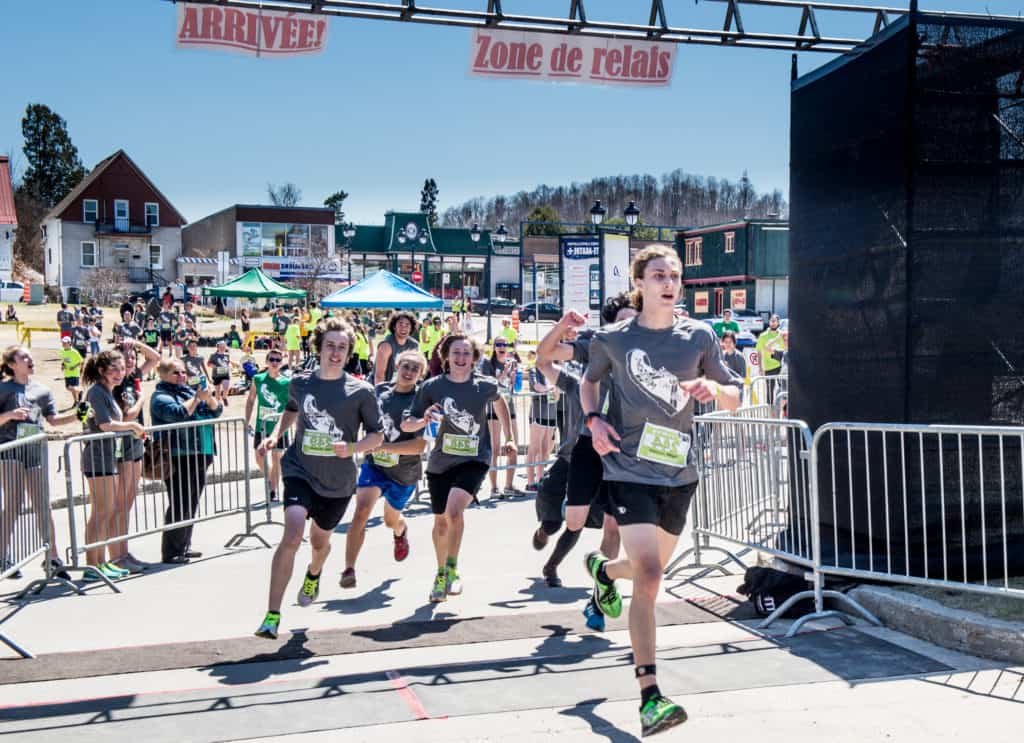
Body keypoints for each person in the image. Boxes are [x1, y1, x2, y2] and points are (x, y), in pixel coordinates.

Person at [581, 245, 741, 736]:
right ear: (640, 283)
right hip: (629, 469)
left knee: (649, 570)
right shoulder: (613, 339)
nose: (669, 283)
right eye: (658, 275)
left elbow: (735, 394)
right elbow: (589, 383)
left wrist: (717, 392)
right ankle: (650, 696)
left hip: (680, 473)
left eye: (675, 275)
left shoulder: (699, 335)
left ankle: (604, 571)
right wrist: (593, 420)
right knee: (650, 577)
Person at [254, 318, 383, 640]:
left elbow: (377, 436)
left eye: (342, 347)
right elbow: (292, 409)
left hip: (338, 483)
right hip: (299, 469)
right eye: (330, 346)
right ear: (319, 348)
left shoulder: (361, 391)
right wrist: (275, 435)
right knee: (293, 534)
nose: (335, 352)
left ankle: (314, 572)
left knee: (319, 542)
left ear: (349, 352)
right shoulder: (300, 382)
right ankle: (272, 615)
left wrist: (353, 447)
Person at [534, 295, 636, 623]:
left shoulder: (650, 348)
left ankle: (598, 600)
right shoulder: (596, 345)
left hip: (625, 451)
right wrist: (563, 325)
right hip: (588, 445)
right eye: (622, 321)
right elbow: (544, 356)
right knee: (574, 521)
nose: (629, 327)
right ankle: (571, 545)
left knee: (613, 527)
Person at [403, 333, 512, 603]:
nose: (461, 358)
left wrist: (509, 437)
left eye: (466, 353)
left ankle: (452, 567)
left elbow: (500, 403)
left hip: (475, 459)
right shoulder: (431, 387)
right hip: (441, 462)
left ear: (474, 357)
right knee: (440, 523)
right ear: (447, 357)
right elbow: (408, 423)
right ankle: (440, 572)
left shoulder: (483, 385)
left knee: (454, 511)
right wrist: (423, 420)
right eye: (456, 353)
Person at [342, 350, 427, 587]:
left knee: (391, 521)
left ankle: (401, 531)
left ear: (420, 375)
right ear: (397, 367)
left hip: (404, 473)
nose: (409, 372)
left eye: (415, 369)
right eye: (406, 366)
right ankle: (349, 569)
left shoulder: (421, 400)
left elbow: (420, 446)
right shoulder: (379, 392)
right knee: (361, 510)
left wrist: (384, 447)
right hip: (375, 467)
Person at [0, 346, 77, 581]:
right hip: (10, 450)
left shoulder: (42, 390)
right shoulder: (3, 388)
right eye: (24, 357)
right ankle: (2, 557)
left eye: (30, 356)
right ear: (12, 364)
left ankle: (52, 557)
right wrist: (9, 416)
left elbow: (53, 420)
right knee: (13, 502)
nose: (30, 359)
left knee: (42, 504)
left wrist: (79, 415)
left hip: (35, 449)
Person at [79, 349, 146, 581]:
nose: (119, 373)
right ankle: (92, 565)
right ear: (101, 371)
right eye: (113, 369)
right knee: (100, 512)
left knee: (107, 511)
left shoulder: (107, 391)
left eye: (121, 369)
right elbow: (105, 424)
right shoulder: (97, 392)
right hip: (97, 457)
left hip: (109, 457)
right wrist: (132, 427)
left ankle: (101, 562)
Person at [150, 357, 224, 564]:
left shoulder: (188, 392)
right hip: (179, 455)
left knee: (191, 502)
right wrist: (198, 399)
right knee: (180, 502)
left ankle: (184, 545)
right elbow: (179, 414)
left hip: (201, 452)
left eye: (183, 372)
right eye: (176, 373)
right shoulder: (161, 396)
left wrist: (208, 398)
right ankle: (171, 551)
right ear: (164, 375)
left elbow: (216, 411)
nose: (182, 376)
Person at [110, 339, 161, 573]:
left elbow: (156, 358)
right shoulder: (116, 384)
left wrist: (137, 343)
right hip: (123, 441)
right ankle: (116, 555)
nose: (131, 361)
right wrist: (142, 398)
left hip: (136, 440)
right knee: (120, 502)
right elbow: (128, 415)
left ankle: (124, 551)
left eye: (133, 357)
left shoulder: (133, 378)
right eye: (126, 357)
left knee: (129, 501)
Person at [245, 348, 290, 502]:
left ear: (281, 362)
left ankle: (273, 491)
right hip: (261, 425)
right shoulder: (258, 379)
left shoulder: (286, 382)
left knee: (276, 457)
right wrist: (247, 420)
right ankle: (272, 478)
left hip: (279, 428)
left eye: (278, 360)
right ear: (267, 361)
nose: (275, 363)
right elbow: (251, 400)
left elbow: (292, 406)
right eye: (272, 359)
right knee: (259, 456)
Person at [477, 339, 520, 498]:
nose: (502, 347)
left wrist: (514, 376)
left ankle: (509, 485)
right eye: (498, 345)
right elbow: (489, 385)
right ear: (494, 348)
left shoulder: (511, 363)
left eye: (504, 345)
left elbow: (514, 387)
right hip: (493, 408)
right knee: (494, 449)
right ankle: (494, 488)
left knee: (513, 446)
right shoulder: (488, 364)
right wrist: (503, 373)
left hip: (510, 406)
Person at [524, 361, 556, 492]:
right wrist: (550, 389)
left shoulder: (554, 369)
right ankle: (531, 482)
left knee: (546, 448)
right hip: (538, 411)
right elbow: (536, 386)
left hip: (551, 413)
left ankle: (541, 479)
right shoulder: (534, 370)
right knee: (534, 448)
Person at [373, 312, 419, 385]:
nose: (403, 327)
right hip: (380, 386)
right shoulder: (386, 346)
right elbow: (379, 375)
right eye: (400, 324)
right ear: (394, 326)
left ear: (411, 328)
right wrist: (381, 394)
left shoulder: (414, 345)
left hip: (399, 387)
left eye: (407, 325)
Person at [755, 314, 785, 401]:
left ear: (778, 322)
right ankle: (770, 411)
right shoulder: (763, 336)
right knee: (769, 392)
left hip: (781, 366)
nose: (773, 323)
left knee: (783, 390)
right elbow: (759, 352)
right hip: (769, 367)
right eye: (771, 321)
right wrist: (760, 367)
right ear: (769, 322)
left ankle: (783, 412)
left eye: (775, 321)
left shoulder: (783, 335)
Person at [59, 336, 84, 406]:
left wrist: (74, 367)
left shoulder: (74, 352)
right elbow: (64, 361)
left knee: (73, 388)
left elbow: (81, 361)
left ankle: (79, 394)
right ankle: (76, 399)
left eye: (65, 343)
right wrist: (62, 365)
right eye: (63, 343)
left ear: (69, 343)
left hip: (74, 373)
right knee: (68, 388)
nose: (63, 344)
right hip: (67, 373)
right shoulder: (62, 351)